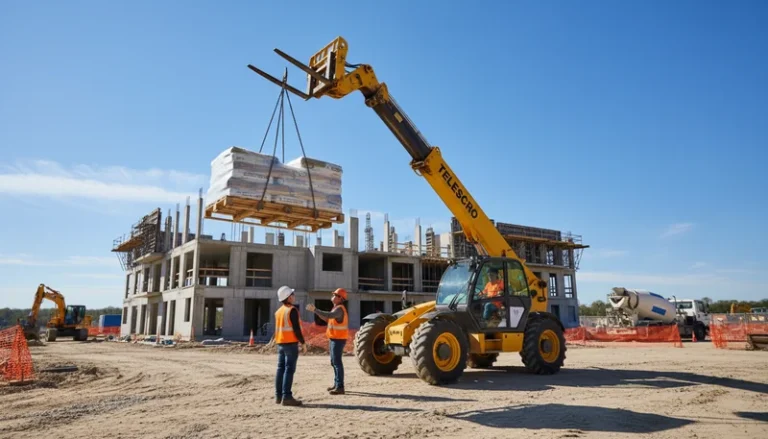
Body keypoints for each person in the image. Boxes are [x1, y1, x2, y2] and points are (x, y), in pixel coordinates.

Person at [306, 288, 348, 395]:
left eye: (335, 295)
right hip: (334, 338)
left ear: (340, 298)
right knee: (334, 362)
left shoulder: (339, 310)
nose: (333, 296)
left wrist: (315, 310)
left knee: (337, 362)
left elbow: (329, 315)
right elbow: (327, 318)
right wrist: (318, 313)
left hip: (338, 339)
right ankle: (337, 384)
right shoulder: (335, 309)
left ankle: (340, 387)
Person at [274, 285, 305, 406]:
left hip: (280, 343)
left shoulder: (279, 311)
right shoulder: (291, 310)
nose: (294, 296)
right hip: (291, 344)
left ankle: (278, 396)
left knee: (280, 369)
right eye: (292, 294)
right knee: (289, 369)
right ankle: (287, 397)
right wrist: (303, 343)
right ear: (288, 297)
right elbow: (296, 329)